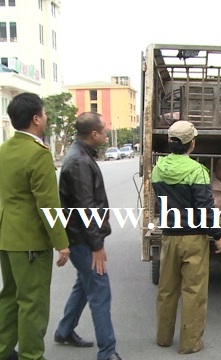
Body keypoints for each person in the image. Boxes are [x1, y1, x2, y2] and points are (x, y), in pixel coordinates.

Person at [0, 93, 70, 360]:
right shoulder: (38, 154)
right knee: (32, 303)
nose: (46, 118)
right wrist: (61, 243)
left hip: (6, 236)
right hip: (29, 241)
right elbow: (48, 205)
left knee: (9, 297)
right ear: (36, 119)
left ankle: (4, 351)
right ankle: (32, 355)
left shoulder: (4, 150)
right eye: (44, 114)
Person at [152, 120, 221, 354]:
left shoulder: (158, 169)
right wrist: (217, 236)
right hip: (193, 238)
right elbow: (205, 208)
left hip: (169, 237)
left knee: (166, 290)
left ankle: (163, 338)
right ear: (191, 144)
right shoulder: (197, 171)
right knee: (193, 292)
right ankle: (190, 343)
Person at [53, 112, 122, 360]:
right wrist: (97, 245)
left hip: (79, 237)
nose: (106, 134)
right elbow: (86, 207)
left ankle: (63, 331)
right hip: (83, 239)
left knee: (84, 285)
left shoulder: (80, 155)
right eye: (104, 131)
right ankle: (107, 352)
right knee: (100, 290)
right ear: (94, 134)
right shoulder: (80, 161)